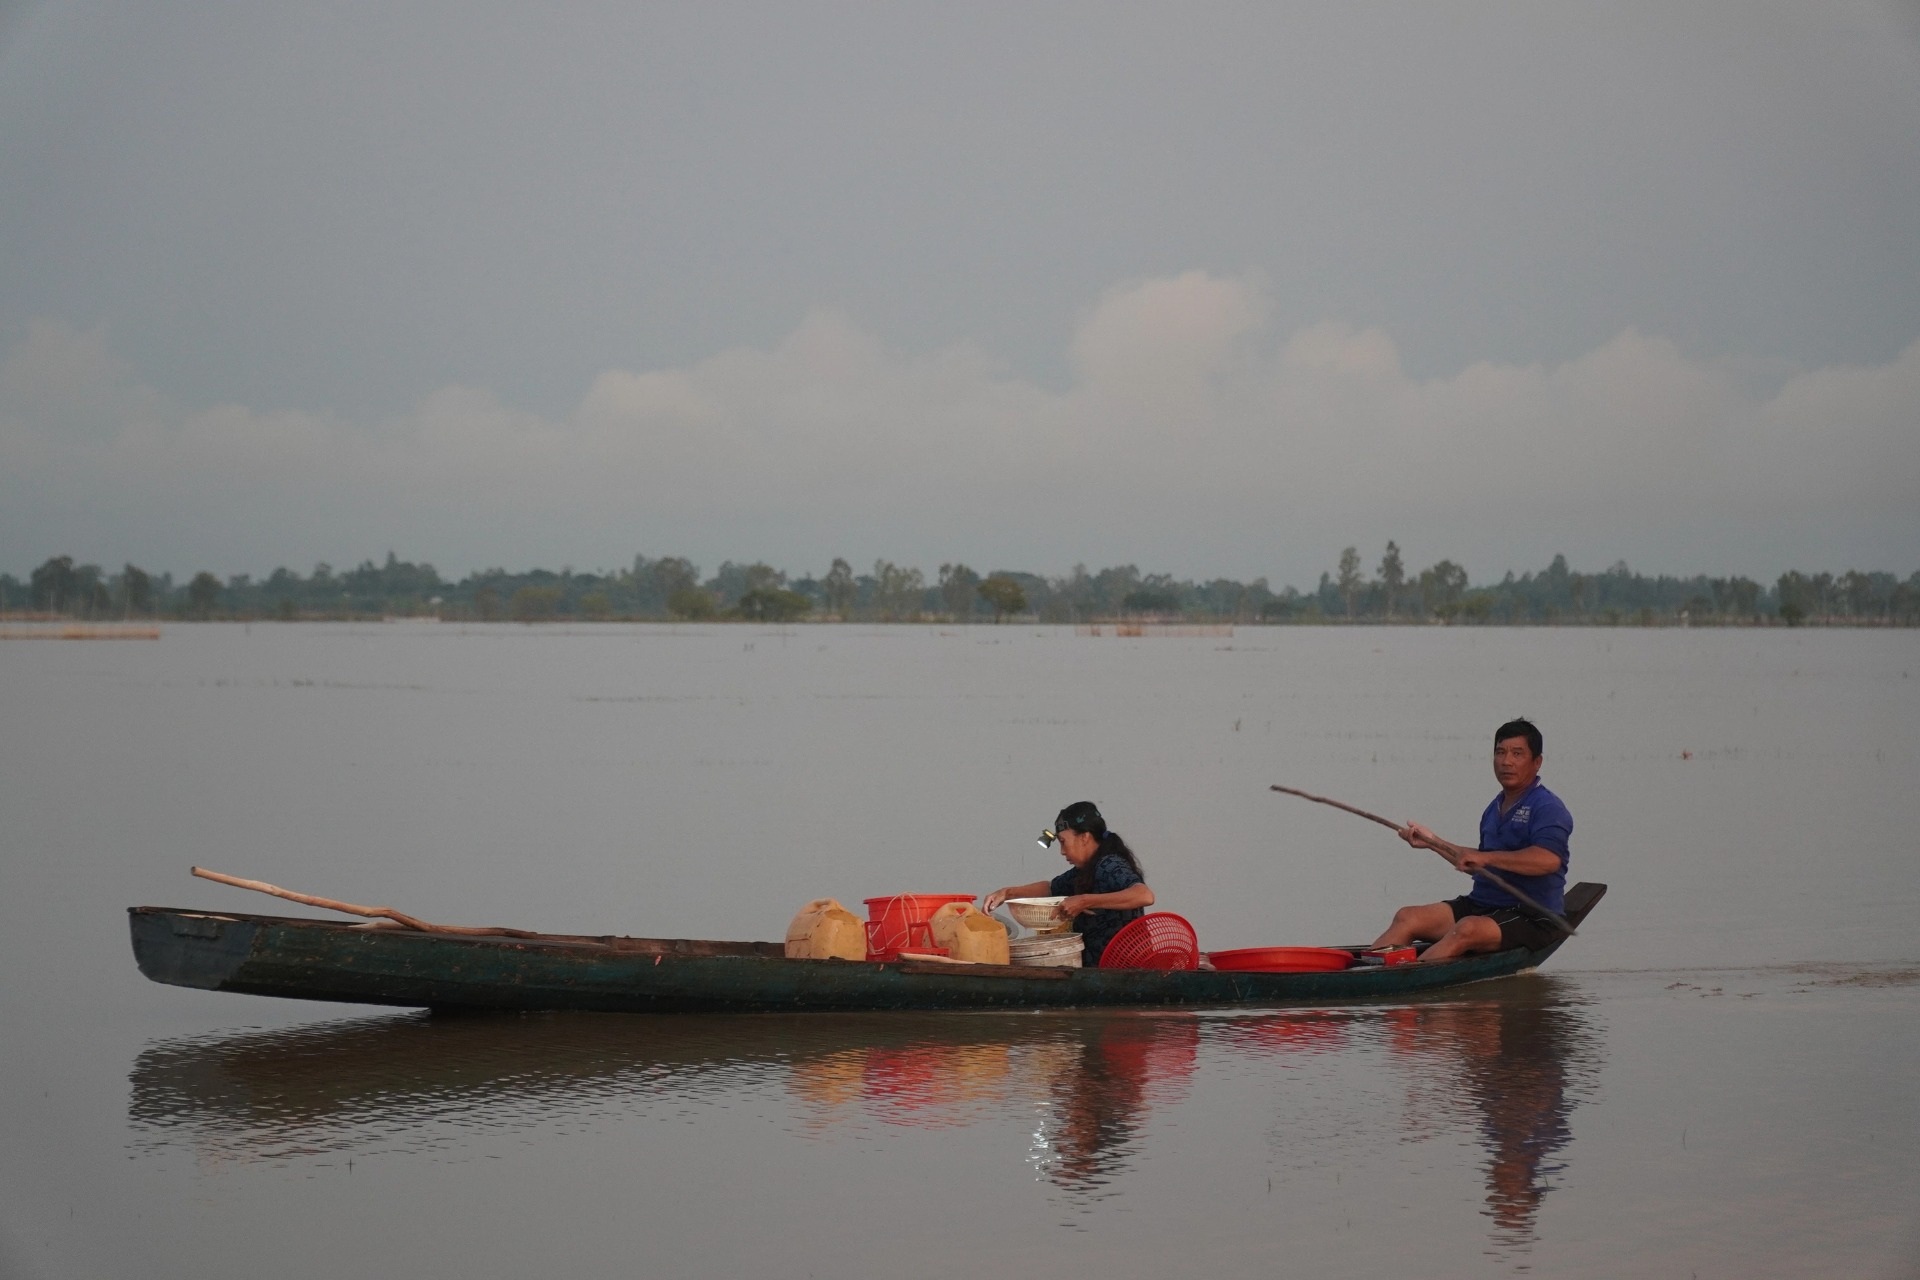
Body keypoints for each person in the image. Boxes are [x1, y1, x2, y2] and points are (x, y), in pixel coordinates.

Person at [1372, 718, 1571, 963]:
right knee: (1407, 917)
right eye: (1500, 752)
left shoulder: (1548, 807)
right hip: (1483, 905)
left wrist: (1485, 857)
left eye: (1517, 753)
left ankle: (1403, 981)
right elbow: (1476, 864)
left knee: (1466, 929)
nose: (1506, 761)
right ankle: (1365, 975)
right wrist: (1432, 841)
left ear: (1537, 762)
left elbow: (1548, 860)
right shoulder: (1493, 809)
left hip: (1532, 916)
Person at [984, 801, 1154, 966]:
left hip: (1122, 970)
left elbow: (1144, 895)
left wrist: (1084, 901)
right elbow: (1050, 888)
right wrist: (1007, 893)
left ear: (1085, 837)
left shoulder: (1108, 864)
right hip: (1099, 969)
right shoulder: (1085, 871)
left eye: (1063, 842)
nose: (1062, 851)